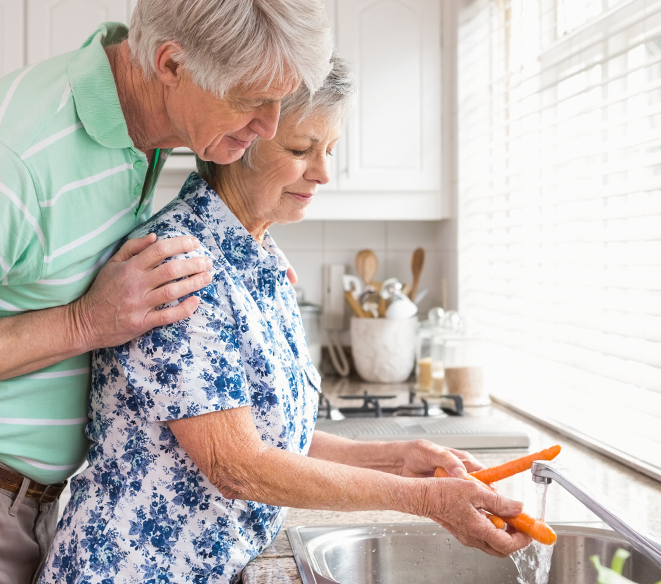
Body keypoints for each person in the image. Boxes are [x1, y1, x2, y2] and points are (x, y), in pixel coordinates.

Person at [0, 0, 334, 583]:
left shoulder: (143, 126)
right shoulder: (12, 154)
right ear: (172, 64)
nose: (270, 127)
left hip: (24, 506)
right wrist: (85, 322)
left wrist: (246, 250)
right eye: (253, 101)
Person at [40, 57, 532, 584]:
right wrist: (425, 500)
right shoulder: (179, 268)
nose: (322, 172)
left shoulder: (258, 258)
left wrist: (402, 458)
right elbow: (237, 465)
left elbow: (273, 439)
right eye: (301, 150)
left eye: (329, 151)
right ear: (239, 140)